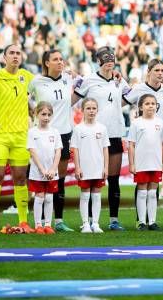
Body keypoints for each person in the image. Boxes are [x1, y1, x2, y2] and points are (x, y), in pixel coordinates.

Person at [73, 47, 129, 231]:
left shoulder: (119, 81)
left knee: (113, 179)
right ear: (98, 61)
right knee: (90, 179)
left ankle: (113, 220)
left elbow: (130, 98)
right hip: (91, 136)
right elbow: (71, 100)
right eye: (105, 58)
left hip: (113, 134)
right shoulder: (89, 79)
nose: (109, 61)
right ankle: (88, 221)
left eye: (112, 58)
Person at [0, 44, 35, 233]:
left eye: (18, 53)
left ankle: (23, 222)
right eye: (11, 53)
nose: (15, 56)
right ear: (4, 57)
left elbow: (47, 83)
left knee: (21, 179)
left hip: (21, 136)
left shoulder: (27, 77)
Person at [29, 50, 75, 232]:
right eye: (55, 59)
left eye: (61, 59)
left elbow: (88, 83)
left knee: (59, 179)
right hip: (41, 135)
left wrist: (117, 75)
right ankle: (39, 222)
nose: (60, 62)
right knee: (40, 177)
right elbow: (22, 97)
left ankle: (58, 221)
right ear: (46, 63)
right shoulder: (36, 82)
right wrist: (33, 112)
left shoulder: (69, 78)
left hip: (63, 134)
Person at [128, 94, 163, 231]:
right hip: (141, 163)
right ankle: (141, 222)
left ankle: (152, 221)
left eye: (153, 103)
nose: (151, 106)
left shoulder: (160, 123)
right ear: (140, 107)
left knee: (152, 193)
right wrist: (132, 163)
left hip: (156, 162)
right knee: (142, 191)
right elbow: (131, 145)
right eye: (147, 103)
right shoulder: (136, 123)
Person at [71, 98, 110, 234]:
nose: (91, 111)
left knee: (97, 195)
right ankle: (85, 223)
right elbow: (74, 149)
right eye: (88, 108)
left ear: (97, 110)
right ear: (82, 111)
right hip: (84, 168)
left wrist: (106, 167)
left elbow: (105, 149)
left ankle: (95, 223)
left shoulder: (102, 128)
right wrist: (77, 167)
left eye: (94, 108)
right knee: (85, 195)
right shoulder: (78, 128)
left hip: (98, 168)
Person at [27, 102, 62, 234]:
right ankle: (38, 225)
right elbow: (32, 152)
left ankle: (48, 224)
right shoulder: (32, 132)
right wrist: (42, 170)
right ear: (37, 114)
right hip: (38, 172)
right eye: (43, 114)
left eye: (48, 114)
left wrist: (53, 169)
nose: (46, 117)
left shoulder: (55, 132)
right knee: (40, 197)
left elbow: (58, 151)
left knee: (49, 198)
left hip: (52, 173)